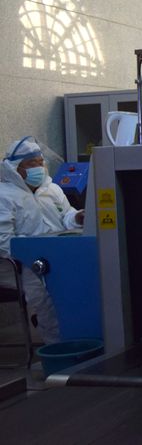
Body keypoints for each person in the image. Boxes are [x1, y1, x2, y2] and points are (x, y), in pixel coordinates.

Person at [0, 136, 85, 345]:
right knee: (47, 301)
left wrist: (77, 217)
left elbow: (66, 215)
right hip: (21, 266)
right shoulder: (5, 196)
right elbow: (4, 241)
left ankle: (79, 340)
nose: (38, 168)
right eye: (31, 164)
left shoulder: (52, 190)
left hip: (58, 258)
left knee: (79, 292)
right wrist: (31, 252)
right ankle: (57, 349)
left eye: (40, 162)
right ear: (15, 168)